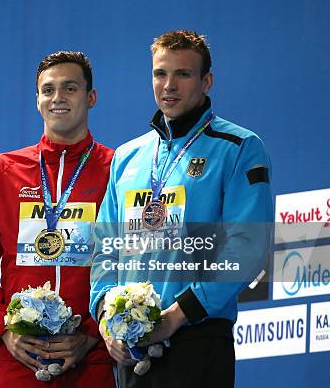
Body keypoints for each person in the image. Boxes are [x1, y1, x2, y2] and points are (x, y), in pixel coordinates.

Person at [89, 30, 273, 388]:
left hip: (197, 340)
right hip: (131, 348)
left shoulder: (238, 146)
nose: (169, 85)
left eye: (183, 74)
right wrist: (106, 318)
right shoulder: (129, 156)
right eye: (160, 73)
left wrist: (177, 315)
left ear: (207, 81)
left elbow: (248, 246)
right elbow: (104, 247)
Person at [0, 51, 116, 387]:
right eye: (48, 90)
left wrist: (91, 336)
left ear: (91, 97)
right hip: (19, 360)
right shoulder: (1, 171)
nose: (58, 98)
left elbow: (133, 262)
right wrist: (3, 332)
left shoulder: (118, 170)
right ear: (38, 101)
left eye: (70, 88)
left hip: (92, 359)